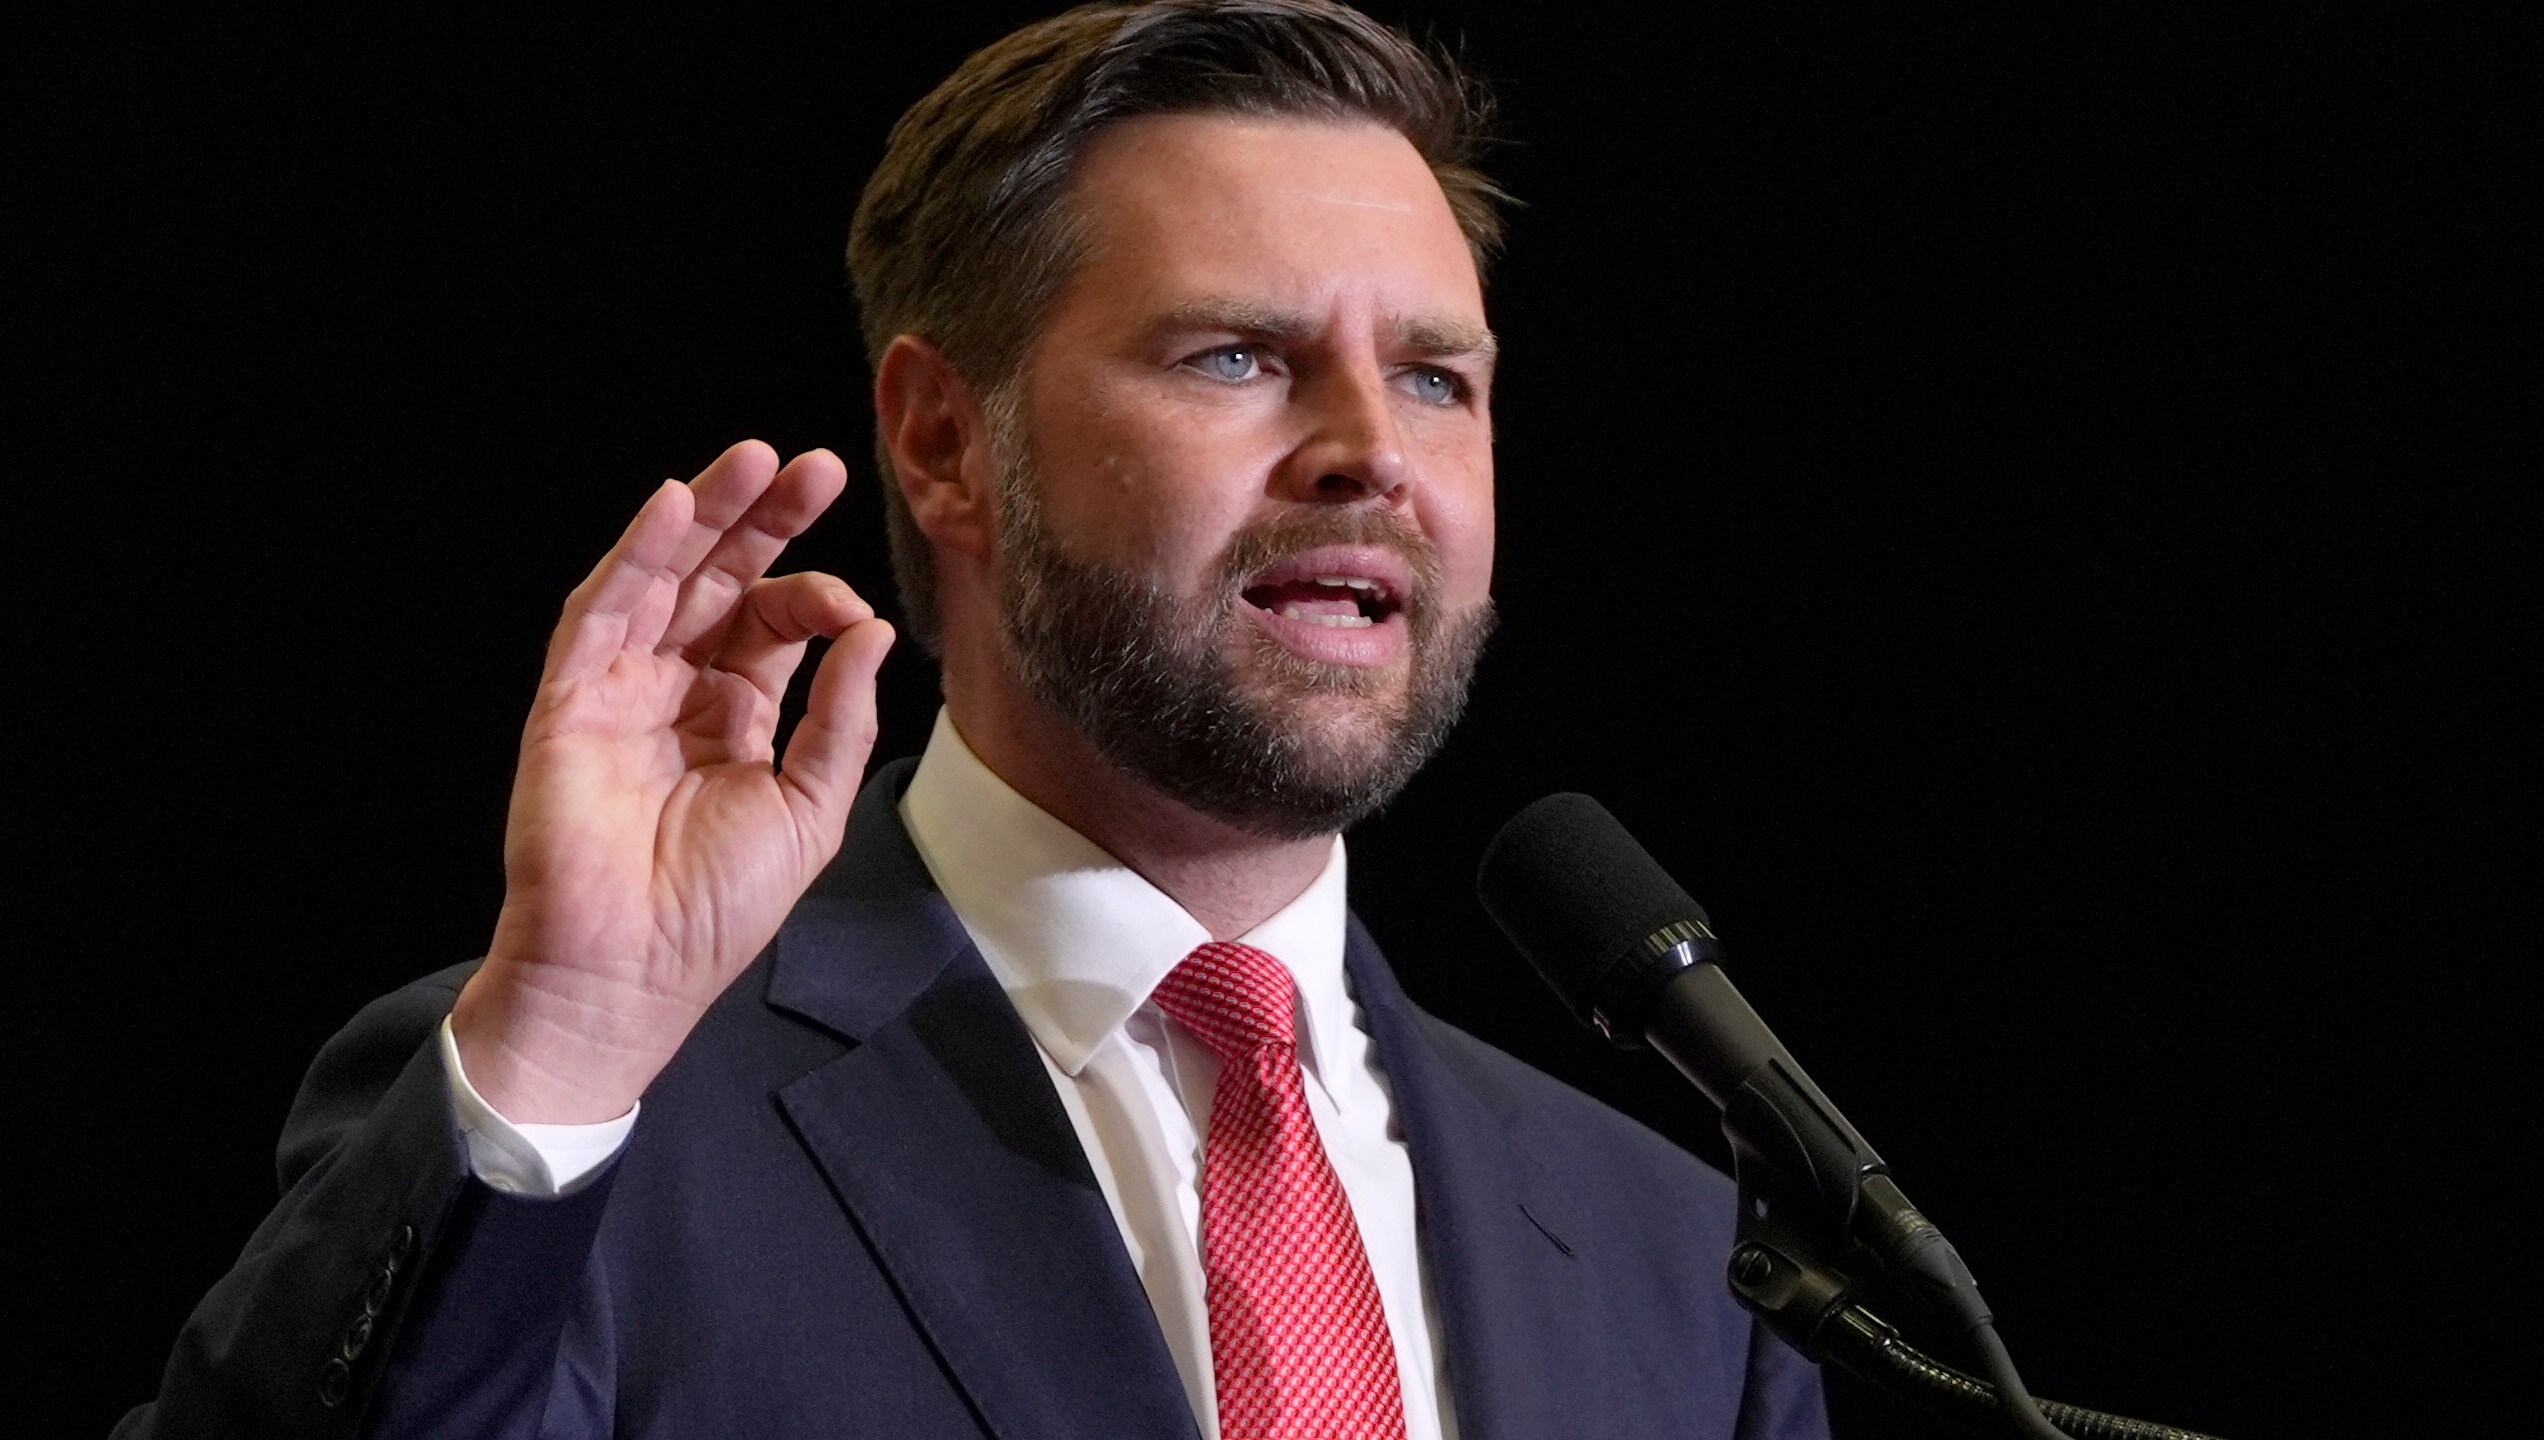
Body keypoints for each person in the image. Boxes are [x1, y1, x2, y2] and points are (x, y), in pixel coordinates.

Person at [120, 3, 1830, 1437]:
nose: (1372, 448)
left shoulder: (1681, 1266)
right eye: (1237, 356)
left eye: (1437, 378)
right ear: (943, 442)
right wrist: (564, 1041)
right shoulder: (579, 1133)